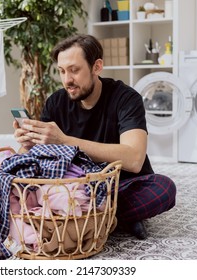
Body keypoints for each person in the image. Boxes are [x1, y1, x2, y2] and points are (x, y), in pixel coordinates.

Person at [13, 34, 176, 240]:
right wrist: (28, 146)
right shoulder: (56, 102)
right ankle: (109, 218)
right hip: (74, 188)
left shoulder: (126, 98)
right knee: (21, 183)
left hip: (120, 185)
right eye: (62, 71)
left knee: (164, 189)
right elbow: (36, 161)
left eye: (74, 70)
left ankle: (80, 219)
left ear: (97, 67)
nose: (67, 80)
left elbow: (134, 160)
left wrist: (64, 141)